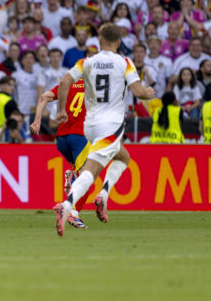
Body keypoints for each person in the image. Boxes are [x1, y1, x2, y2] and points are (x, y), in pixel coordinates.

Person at [54, 24, 154, 236]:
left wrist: (62, 110)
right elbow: (139, 92)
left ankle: (103, 195)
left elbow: (64, 82)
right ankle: (67, 206)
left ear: (100, 41)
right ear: (119, 43)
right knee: (91, 171)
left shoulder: (87, 62)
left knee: (123, 157)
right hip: (110, 126)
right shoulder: (125, 62)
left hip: (89, 125)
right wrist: (149, 92)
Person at [31, 76, 90, 229]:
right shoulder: (95, 86)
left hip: (62, 139)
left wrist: (37, 120)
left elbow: (43, 97)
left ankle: (72, 174)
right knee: (88, 177)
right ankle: (73, 213)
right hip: (80, 137)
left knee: (80, 171)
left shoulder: (65, 86)